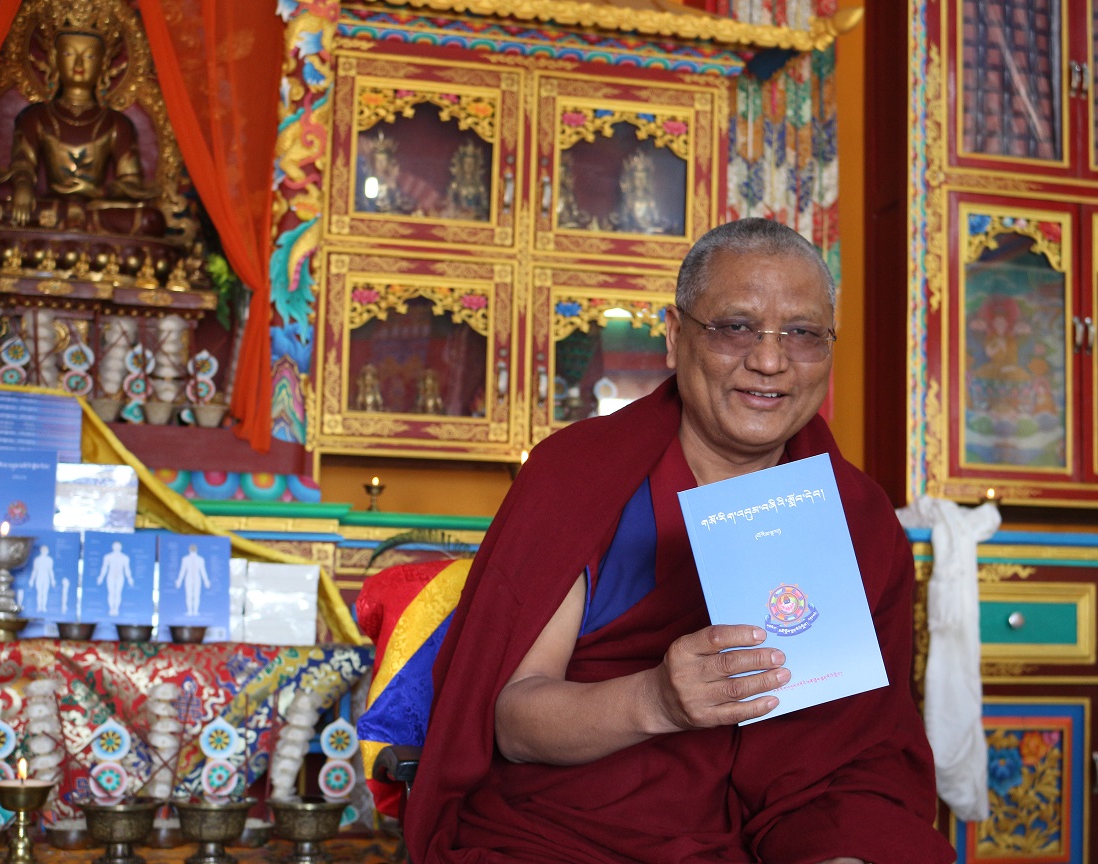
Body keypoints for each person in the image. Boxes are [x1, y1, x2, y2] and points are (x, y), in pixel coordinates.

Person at [403, 218, 954, 864]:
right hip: (575, 829)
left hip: (786, 828)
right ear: (674, 336)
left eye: (803, 334)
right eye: (736, 327)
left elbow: (856, 757)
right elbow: (512, 722)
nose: (770, 361)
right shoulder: (581, 477)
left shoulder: (858, 516)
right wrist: (658, 700)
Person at [4, 26, 162, 236]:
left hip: (90, 210)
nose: (79, 64)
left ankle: (73, 220)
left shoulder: (117, 123)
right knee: (4, 210)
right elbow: (23, 163)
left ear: (103, 64)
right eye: (69, 54)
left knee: (151, 219)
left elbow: (130, 182)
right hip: (50, 207)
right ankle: (72, 220)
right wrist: (23, 187)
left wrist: (102, 192)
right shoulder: (35, 116)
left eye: (89, 56)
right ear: (54, 59)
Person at [97, 541, 133, 617]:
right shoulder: (108, 557)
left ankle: (116, 609)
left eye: (118, 546)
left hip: (120, 576)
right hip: (110, 576)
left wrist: (129, 578)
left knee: (118, 593)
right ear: (113, 547)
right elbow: (104, 567)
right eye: (115, 546)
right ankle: (111, 609)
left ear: (120, 547)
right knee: (111, 593)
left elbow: (127, 569)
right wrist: (101, 577)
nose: (117, 548)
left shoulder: (125, 557)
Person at [175, 544, 210, 616]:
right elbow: (182, 571)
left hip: (197, 579)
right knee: (189, 595)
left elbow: (203, 571)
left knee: (196, 595)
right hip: (189, 579)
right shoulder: (185, 559)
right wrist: (179, 581)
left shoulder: (200, 559)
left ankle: (195, 611)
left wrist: (206, 581)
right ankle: (190, 611)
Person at [29, 545, 56, 614]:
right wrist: (32, 580)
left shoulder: (49, 560)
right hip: (39, 576)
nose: (45, 552)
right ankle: (39, 607)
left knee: (45, 593)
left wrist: (53, 580)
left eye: (46, 550)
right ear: (41, 551)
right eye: (43, 550)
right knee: (39, 593)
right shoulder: (37, 560)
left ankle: (43, 607)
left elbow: (50, 571)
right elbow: (34, 570)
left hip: (46, 577)